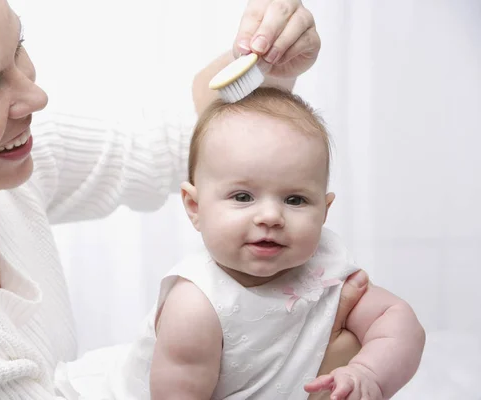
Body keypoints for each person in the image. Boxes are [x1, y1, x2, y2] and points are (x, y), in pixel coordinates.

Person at [0, 0, 368, 398]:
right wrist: (286, 356)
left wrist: (265, 68)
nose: (36, 96)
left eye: (18, 47)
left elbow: (172, 143)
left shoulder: (0, 166)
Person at [66, 88, 425, 399]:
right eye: (242, 196)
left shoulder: (324, 265)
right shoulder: (196, 307)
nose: (270, 216)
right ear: (195, 207)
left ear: (324, 211)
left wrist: (368, 373)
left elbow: (398, 322)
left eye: (295, 200)